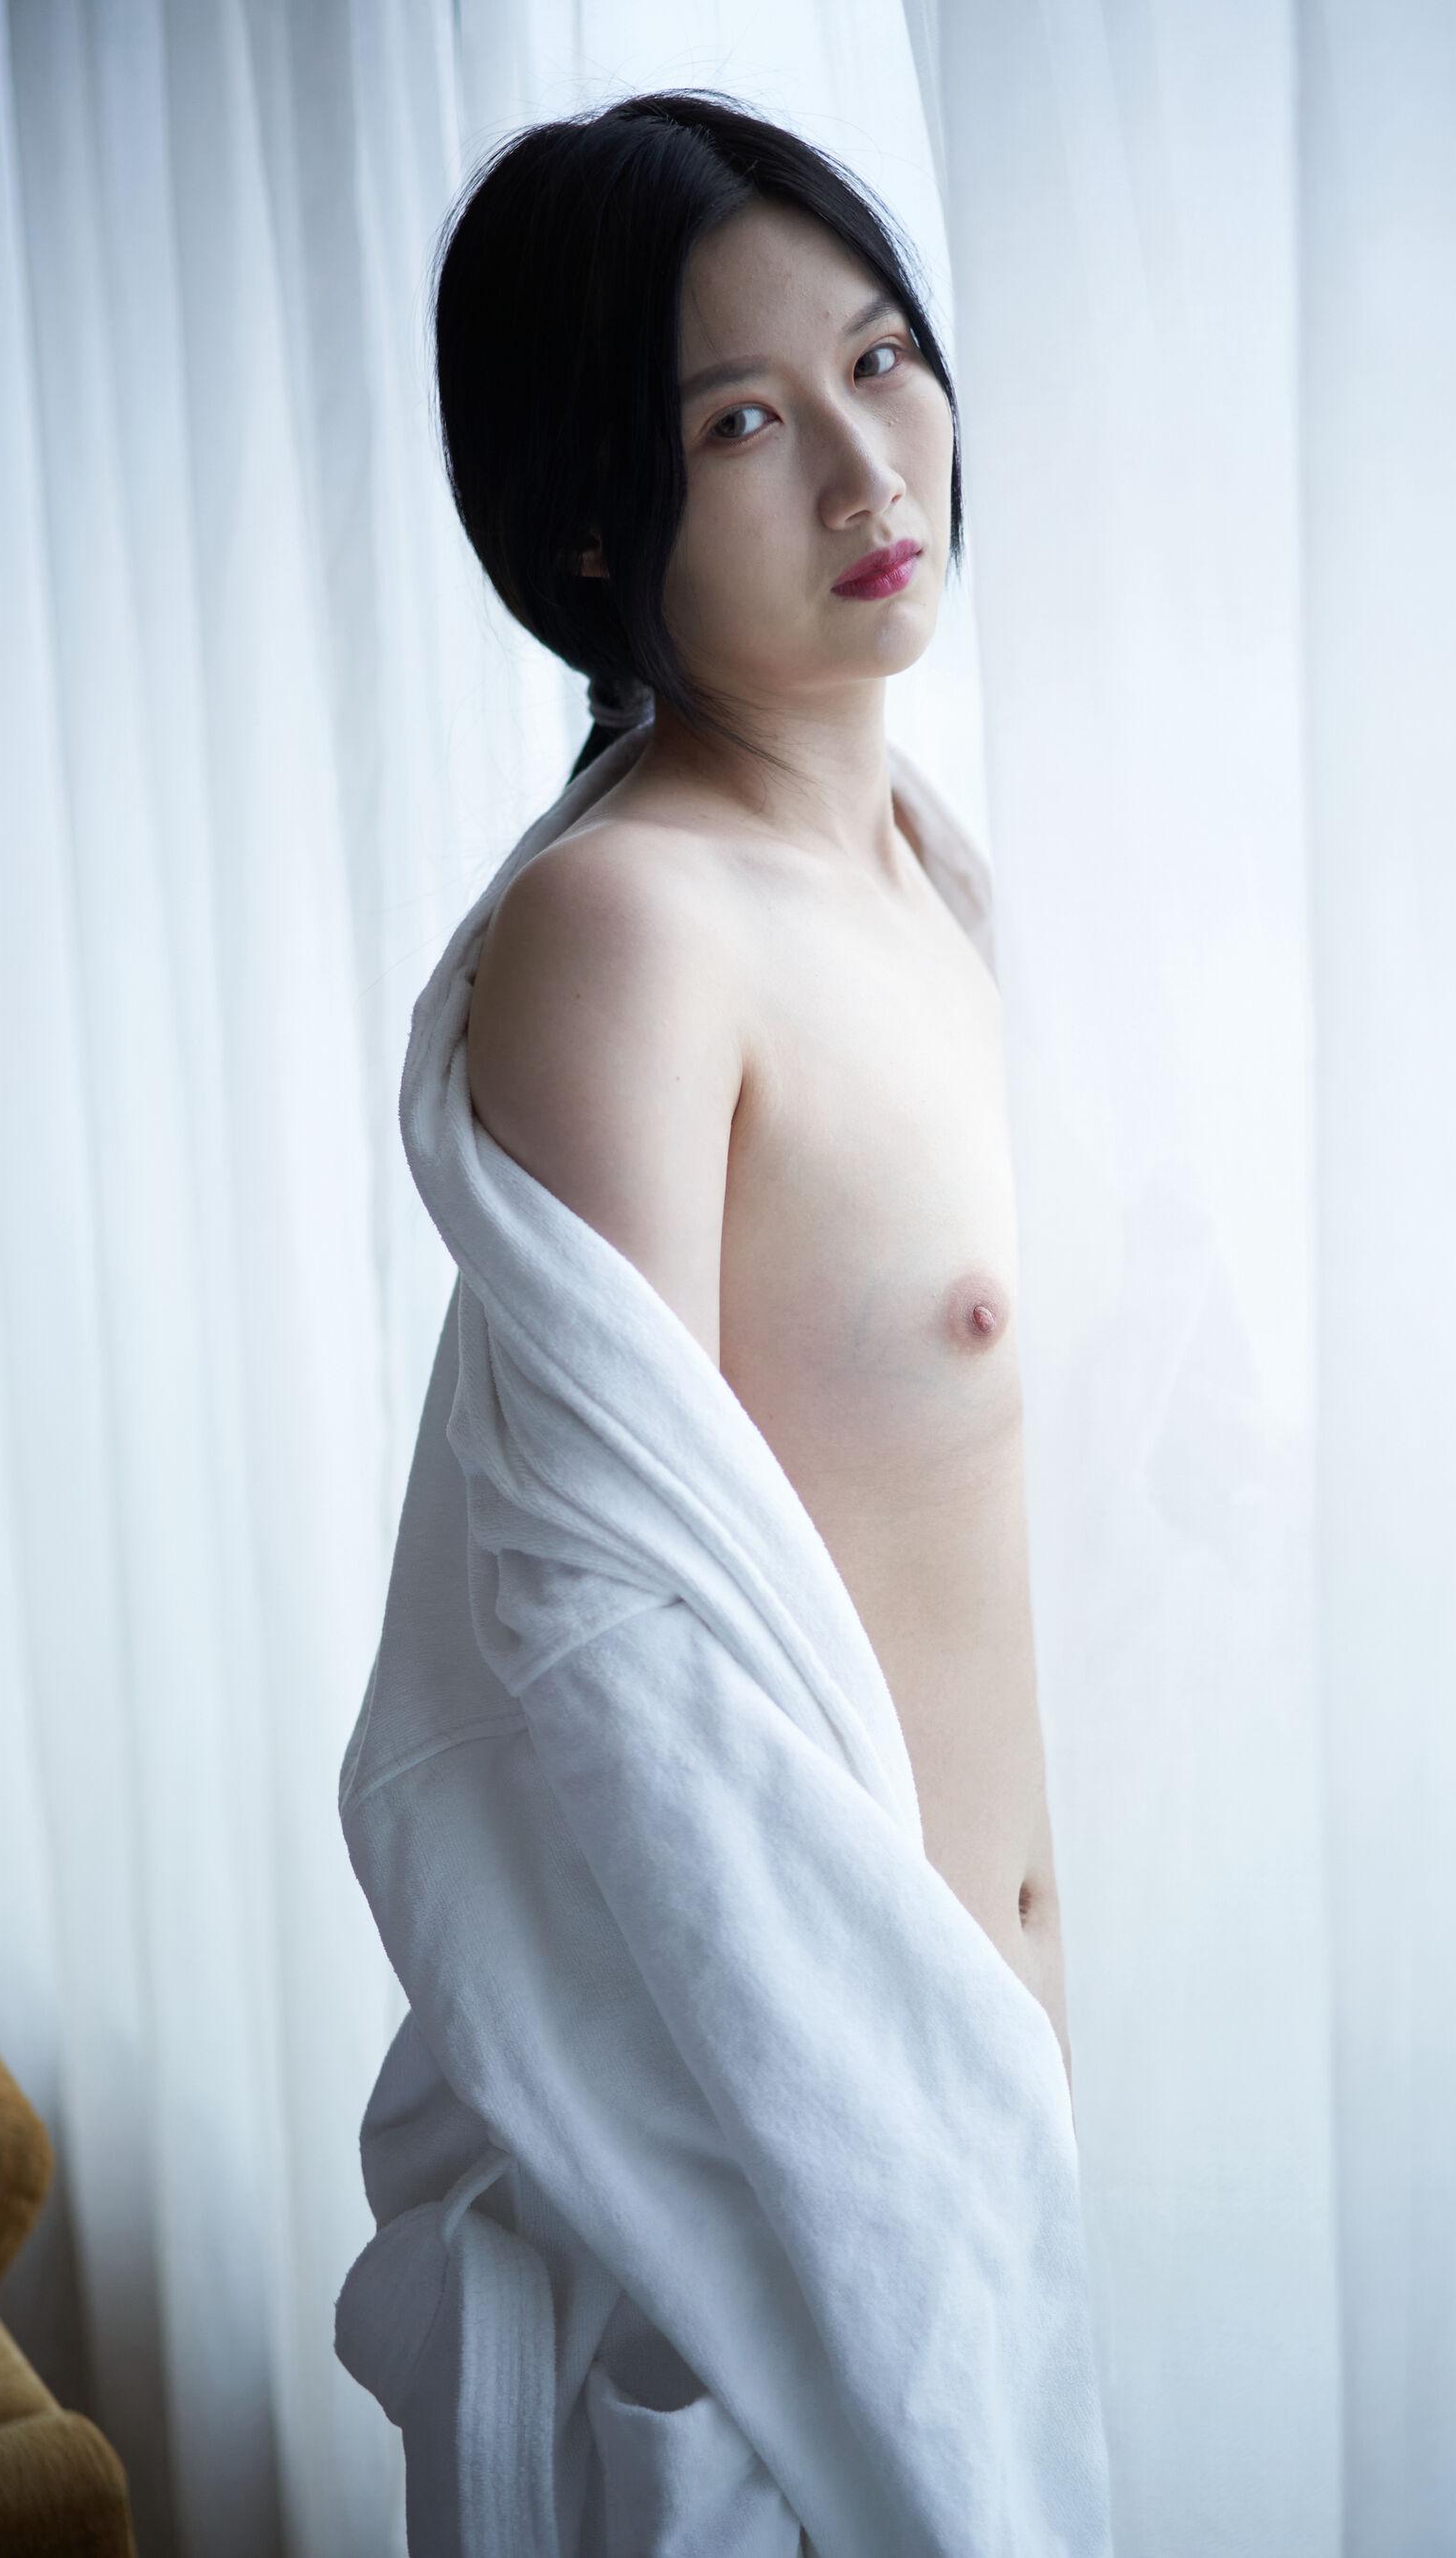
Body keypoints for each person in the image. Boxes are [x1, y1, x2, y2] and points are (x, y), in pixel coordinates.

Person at [445, 86, 1073, 2101]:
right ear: (589, 523)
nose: (868, 469)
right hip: (837, 2114)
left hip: (1110, 2086)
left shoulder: (955, 881)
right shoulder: (630, 930)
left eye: (878, 361)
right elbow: (623, 1652)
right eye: (741, 423)